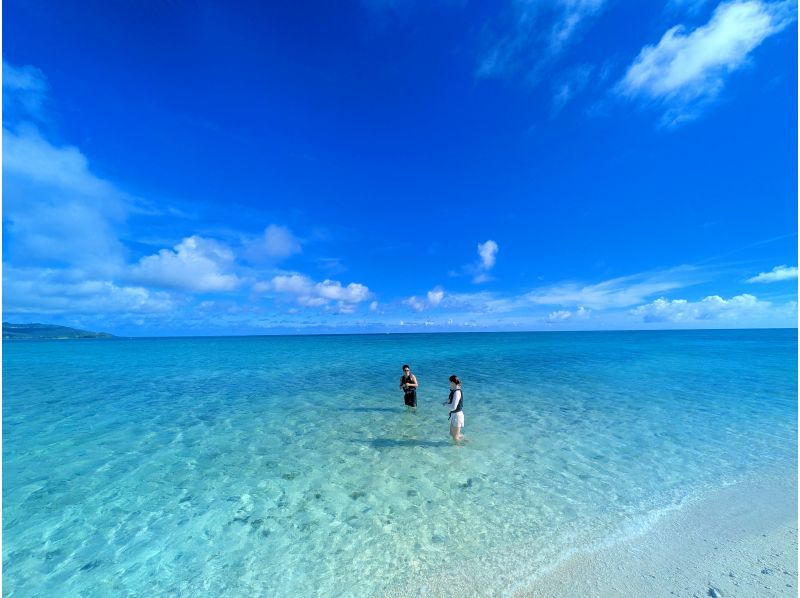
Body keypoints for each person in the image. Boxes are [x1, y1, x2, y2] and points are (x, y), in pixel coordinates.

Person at [443, 375, 464, 443]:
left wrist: (445, 404)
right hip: (454, 415)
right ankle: (466, 443)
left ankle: (458, 450)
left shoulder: (457, 392)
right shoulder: (454, 391)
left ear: (452, 382)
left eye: (449, 382)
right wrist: (447, 402)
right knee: (453, 434)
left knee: (455, 437)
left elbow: (453, 407)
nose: (449, 384)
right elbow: (452, 402)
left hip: (457, 416)